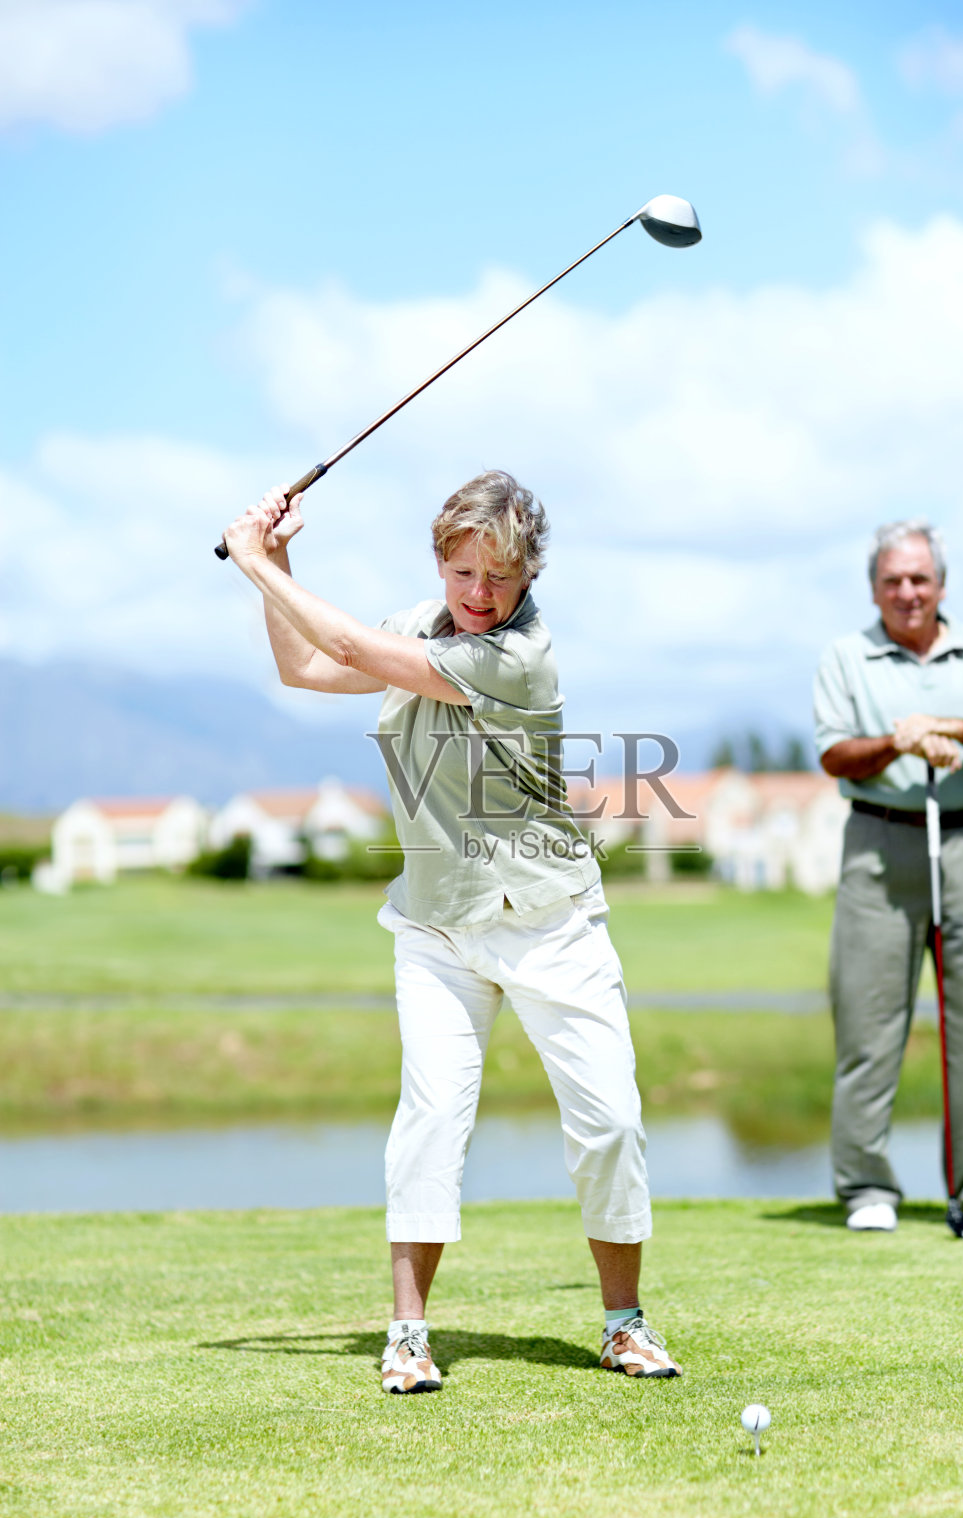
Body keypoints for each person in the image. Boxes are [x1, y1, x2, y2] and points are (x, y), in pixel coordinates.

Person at [220, 470, 680, 1390]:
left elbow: (342, 638)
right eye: (464, 572)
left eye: (500, 578)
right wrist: (275, 561)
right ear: (441, 561)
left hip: (552, 924)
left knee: (611, 1121)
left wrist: (255, 563)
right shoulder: (419, 624)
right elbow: (305, 665)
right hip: (436, 929)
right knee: (429, 1122)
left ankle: (622, 1323)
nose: (479, 595)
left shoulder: (521, 657)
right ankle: (407, 1334)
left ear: (527, 577)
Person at [813, 520, 963, 1233]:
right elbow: (835, 756)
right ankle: (866, 1190)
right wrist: (896, 740)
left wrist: (951, 726)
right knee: (868, 1018)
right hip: (880, 843)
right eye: (891, 581)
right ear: (873, 588)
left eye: (918, 579)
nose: (906, 592)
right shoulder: (846, 657)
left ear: (939, 584)